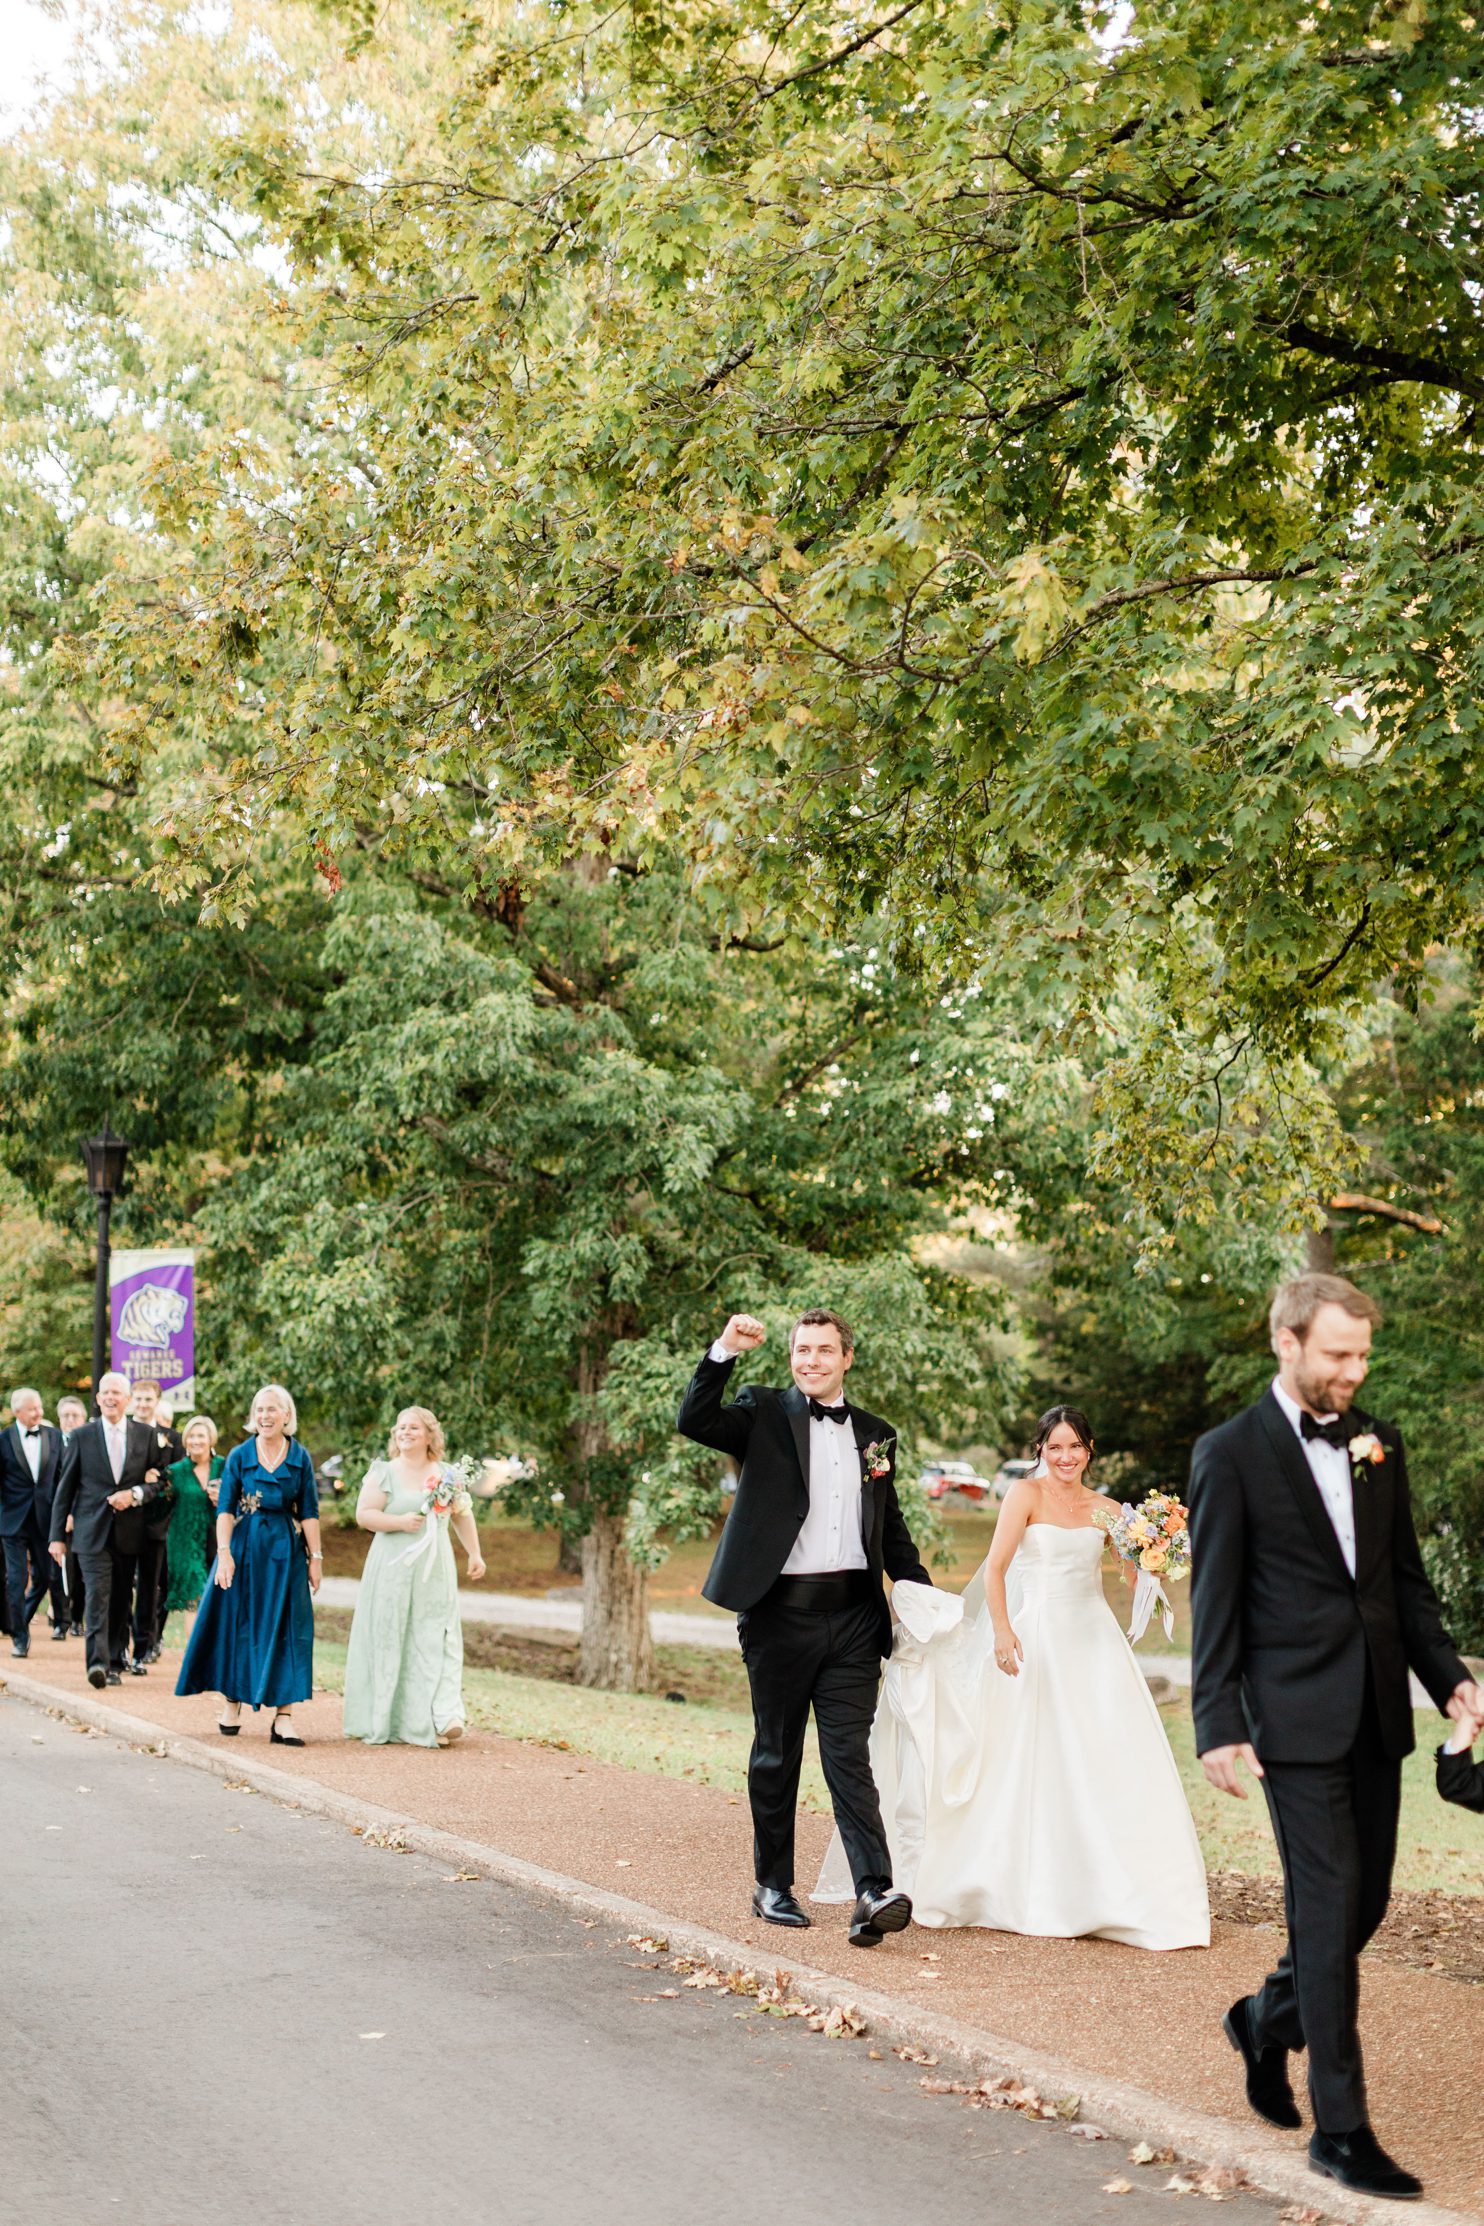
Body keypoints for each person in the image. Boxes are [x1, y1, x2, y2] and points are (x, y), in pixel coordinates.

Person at [1189, 1272, 1481, 2203]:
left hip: (1377, 1718)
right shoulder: (1229, 1453)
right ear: (1286, 1341)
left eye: (1362, 1355)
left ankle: (1262, 2018)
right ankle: (1341, 2132)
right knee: (1324, 1913)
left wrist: (1455, 1680)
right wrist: (1217, 1724)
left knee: (1363, 1910)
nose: (1355, 1371)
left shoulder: (1378, 1444)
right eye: (1338, 1355)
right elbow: (1215, 1603)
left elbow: (1404, 1584)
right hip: (1292, 1723)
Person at [814, 1405, 1210, 1949]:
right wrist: (1002, 1630)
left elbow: (1127, 1571)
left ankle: (1112, 1889)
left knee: (1103, 1752)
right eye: (1054, 1448)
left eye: (1074, 1447)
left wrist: (1153, 1551)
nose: (1065, 1457)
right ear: (1040, 1451)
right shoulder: (1024, 1495)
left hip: (1092, 1637)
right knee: (1027, 1753)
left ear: (1089, 1450)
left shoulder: (1109, 1510)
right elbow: (996, 1568)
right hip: (1034, 1634)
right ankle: (1012, 1883)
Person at [677, 1308, 931, 1947]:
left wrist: (918, 1591)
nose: (810, 1360)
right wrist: (725, 1350)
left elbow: (888, 1525)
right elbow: (694, 1419)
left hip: (853, 1620)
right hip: (778, 1615)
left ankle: (873, 1889)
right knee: (777, 1751)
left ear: (847, 1357)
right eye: (801, 1350)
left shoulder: (877, 1435)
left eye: (823, 1350)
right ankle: (773, 1885)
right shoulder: (762, 1412)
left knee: (849, 1754)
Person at [176, 1384, 321, 1741]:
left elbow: (310, 1513)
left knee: (289, 1626)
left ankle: (284, 1715)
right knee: (236, 1623)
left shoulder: (300, 1457)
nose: (265, 1416)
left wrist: (316, 1558)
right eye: (259, 1410)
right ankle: (231, 1700)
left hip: (285, 1550)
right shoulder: (240, 1455)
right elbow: (225, 1509)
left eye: (273, 1409)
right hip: (243, 1547)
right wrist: (224, 1555)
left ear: (287, 1415)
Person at [342, 1406, 486, 1747]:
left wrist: (475, 1553)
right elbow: (364, 1514)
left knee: (436, 1637)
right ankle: (388, 1719)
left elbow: (462, 1516)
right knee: (390, 1638)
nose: (405, 1432)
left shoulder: (448, 1474)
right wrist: (400, 1522)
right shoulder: (384, 1471)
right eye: (401, 1427)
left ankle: (442, 1715)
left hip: (434, 1570)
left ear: (429, 1436)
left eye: (414, 1428)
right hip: (391, 1567)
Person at [48, 1372, 171, 1686]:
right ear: (98, 1398)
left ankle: (116, 1660)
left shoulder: (146, 1436)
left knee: (119, 1599)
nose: (111, 1398)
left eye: (117, 1393)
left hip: (130, 1533)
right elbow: (65, 1489)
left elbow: (162, 1483)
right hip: (91, 1532)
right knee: (97, 1596)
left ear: (127, 1399)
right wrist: (56, 1537)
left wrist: (136, 1494)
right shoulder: (81, 1436)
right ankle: (97, 1664)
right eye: (105, 1393)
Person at [0, 1388, 64, 1657]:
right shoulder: (3, 1440)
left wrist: (66, 1514)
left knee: (47, 1576)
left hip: (45, 1519)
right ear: (17, 1412)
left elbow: (63, 1478)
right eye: (32, 1409)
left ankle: (19, 1621)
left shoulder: (55, 1436)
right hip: (12, 1521)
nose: (39, 1413)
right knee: (17, 1579)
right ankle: (20, 1638)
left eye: (39, 1407)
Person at [128, 1380, 185, 1664]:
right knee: (121, 1586)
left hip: (158, 1525)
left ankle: (144, 1648)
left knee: (151, 1589)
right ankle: (120, 1643)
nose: (142, 1404)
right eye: (137, 1399)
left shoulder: (173, 1440)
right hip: (123, 1523)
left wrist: (159, 1480)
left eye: (147, 1399)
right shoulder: (120, 1432)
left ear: (157, 1401)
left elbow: (175, 1480)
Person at [163, 1416, 224, 1618]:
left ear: (210, 1439)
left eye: (200, 1436)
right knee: (196, 1598)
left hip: (220, 1542)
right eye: (191, 1436)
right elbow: (160, 1508)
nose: (195, 1441)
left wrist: (223, 1498)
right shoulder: (175, 1472)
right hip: (186, 1544)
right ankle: (194, 1650)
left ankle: (213, 1649)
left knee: (218, 1599)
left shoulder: (225, 1467)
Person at [55, 1395, 89, 1637]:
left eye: (75, 1415)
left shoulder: (91, 1444)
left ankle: (77, 1618)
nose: (70, 1420)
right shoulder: (52, 1444)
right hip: (57, 1517)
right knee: (61, 1573)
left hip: (84, 1516)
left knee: (81, 1573)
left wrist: (74, 1513)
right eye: (65, 1416)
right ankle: (62, 1619)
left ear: (84, 1419)